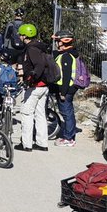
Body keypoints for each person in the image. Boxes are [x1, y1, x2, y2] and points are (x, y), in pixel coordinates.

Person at [17, 23, 53, 152]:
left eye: (21, 34)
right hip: (44, 86)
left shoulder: (31, 49)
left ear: (25, 35)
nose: (20, 37)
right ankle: (42, 143)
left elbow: (38, 65)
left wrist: (30, 79)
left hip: (35, 86)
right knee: (40, 114)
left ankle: (26, 144)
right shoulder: (40, 47)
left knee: (27, 114)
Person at [53, 33, 79, 147]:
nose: (56, 43)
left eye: (58, 41)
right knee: (68, 113)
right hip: (68, 88)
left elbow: (67, 75)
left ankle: (69, 138)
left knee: (67, 113)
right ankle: (69, 134)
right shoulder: (66, 54)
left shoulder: (67, 56)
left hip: (66, 89)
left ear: (62, 42)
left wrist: (63, 92)